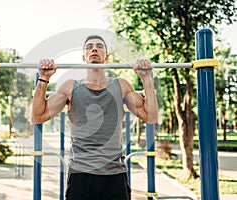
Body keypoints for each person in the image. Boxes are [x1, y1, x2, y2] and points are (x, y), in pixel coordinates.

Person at [31, 35, 158, 200]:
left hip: (114, 174)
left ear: (106, 57)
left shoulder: (121, 85)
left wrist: (146, 79)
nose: (94, 49)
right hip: (81, 175)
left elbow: (151, 117)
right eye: (89, 47)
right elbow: (38, 116)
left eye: (99, 46)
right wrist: (44, 79)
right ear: (84, 57)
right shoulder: (70, 87)